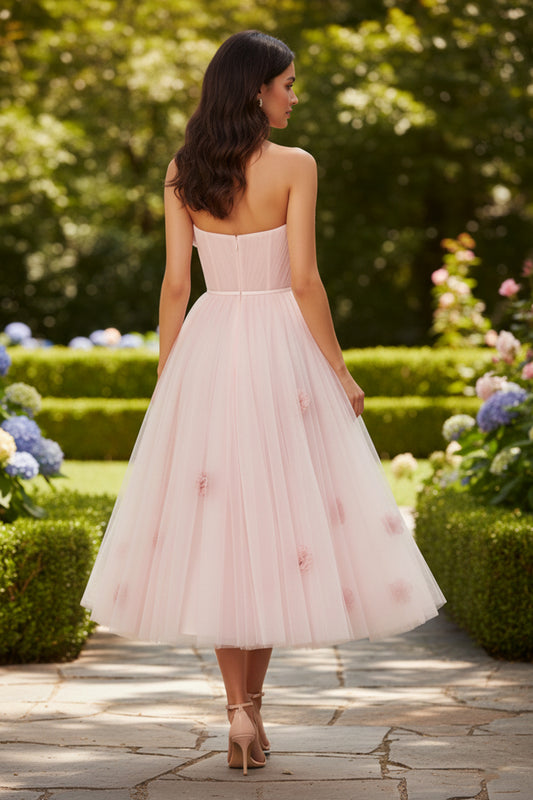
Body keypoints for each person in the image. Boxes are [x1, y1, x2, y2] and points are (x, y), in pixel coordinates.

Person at [81, 30, 445, 776]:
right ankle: (251, 711)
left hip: (211, 347)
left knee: (225, 529)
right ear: (255, 89)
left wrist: (166, 378)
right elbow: (305, 280)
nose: (293, 94)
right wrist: (338, 372)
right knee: (274, 528)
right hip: (279, 344)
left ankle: (239, 713)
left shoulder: (185, 169)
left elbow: (176, 287)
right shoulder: (295, 167)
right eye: (285, 83)